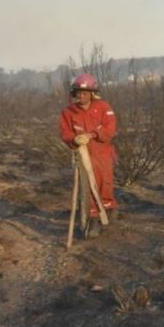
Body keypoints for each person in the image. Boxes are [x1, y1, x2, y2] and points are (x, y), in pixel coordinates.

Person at [59, 73, 118, 237]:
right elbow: (65, 133)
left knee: (104, 183)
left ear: (92, 93)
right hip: (83, 155)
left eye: (85, 93)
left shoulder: (104, 108)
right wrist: (74, 139)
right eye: (78, 92)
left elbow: (110, 129)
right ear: (73, 93)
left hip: (103, 153)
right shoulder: (68, 112)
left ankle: (107, 210)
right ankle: (91, 219)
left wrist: (92, 135)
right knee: (87, 188)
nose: (81, 96)